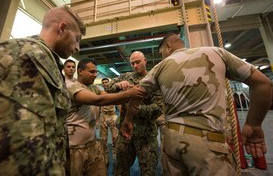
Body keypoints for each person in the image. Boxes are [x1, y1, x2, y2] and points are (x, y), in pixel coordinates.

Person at [122, 33, 273, 176]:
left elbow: (137, 94)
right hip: (209, 146)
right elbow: (263, 84)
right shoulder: (216, 53)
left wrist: (128, 120)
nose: (163, 56)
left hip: (172, 142)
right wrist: (254, 124)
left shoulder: (161, 66)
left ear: (168, 46)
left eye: (162, 52)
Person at [0, 5, 86, 175]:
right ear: (62, 28)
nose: (78, 48)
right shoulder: (30, 56)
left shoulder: (44, 60)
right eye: (77, 39)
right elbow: (19, 150)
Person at [66, 58, 145, 176]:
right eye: (92, 72)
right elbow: (99, 100)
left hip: (92, 144)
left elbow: (109, 97)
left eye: (96, 72)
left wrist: (122, 88)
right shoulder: (72, 87)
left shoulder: (93, 88)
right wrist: (129, 93)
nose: (95, 74)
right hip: (75, 148)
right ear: (80, 71)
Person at [105, 51, 165, 176]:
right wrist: (118, 85)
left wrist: (136, 109)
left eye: (138, 62)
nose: (135, 66)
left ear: (145, 61)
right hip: (125, 135)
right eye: (132, 63)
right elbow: (108, 86)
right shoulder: (126, 76)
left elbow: (158, 108)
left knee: (148, 170)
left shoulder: (153, 80)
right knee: (121, 169)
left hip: (146, 136)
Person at [100, 77, 119, 166]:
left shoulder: (113, 92)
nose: (105, 84)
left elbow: (119, 104)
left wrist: (121, 117)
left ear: (109, 82)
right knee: (103, 139)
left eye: (106, 82)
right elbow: (97, 106)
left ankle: (115, 156)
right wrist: (96, 119)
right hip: (103, 116)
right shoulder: (100, 93)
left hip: (112, 115)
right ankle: (105, 158)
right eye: (103, 82)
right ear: (102, 84)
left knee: (115, 138)